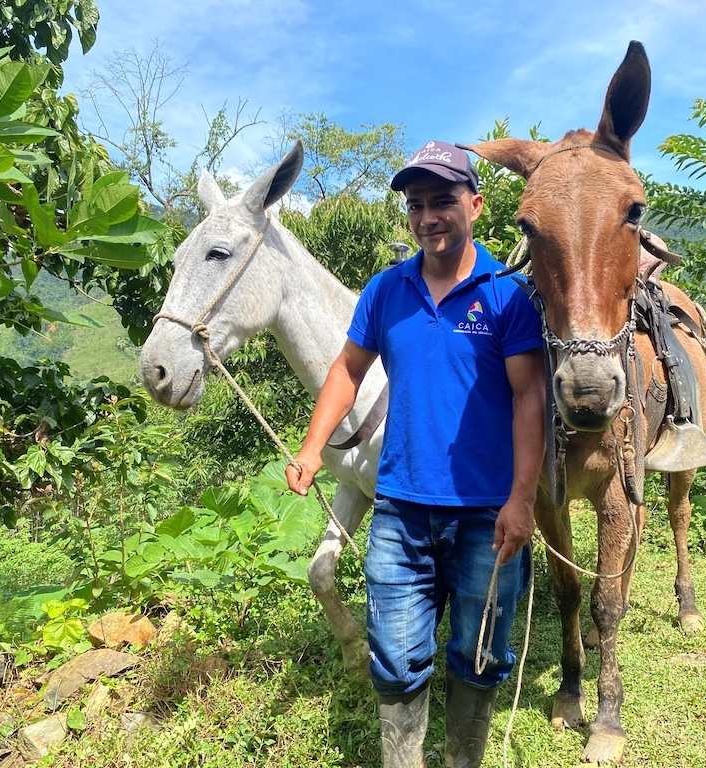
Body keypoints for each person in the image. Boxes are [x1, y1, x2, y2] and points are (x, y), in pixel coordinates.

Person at [287, 140, 545, 768]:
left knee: (478, 656)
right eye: (417, 205)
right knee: (396, 658)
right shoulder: (385, 291)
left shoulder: (506, 297)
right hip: (400, 513)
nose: (429, 216)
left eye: (443, 202)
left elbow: (530, 398)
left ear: (475, 205)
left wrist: (521, 500)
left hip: (489, 518)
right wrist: (313, 445)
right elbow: (348, 371)